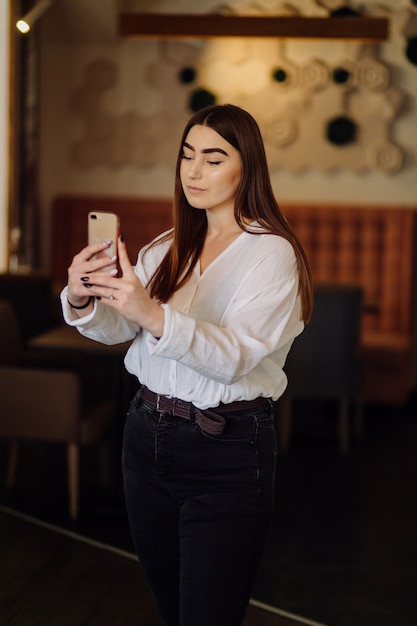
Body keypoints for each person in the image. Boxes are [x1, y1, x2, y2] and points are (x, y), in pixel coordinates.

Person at [61, 103, 312, 626]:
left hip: (224, 451)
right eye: (187, 156)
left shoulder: (272, 253)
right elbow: (123, 331)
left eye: (214, 158)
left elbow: (235, 358)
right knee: (170, 608)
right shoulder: (169, 247)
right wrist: (85, 299)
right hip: (145, 437)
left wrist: (151, 313)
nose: (194, 172)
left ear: (248, 168)